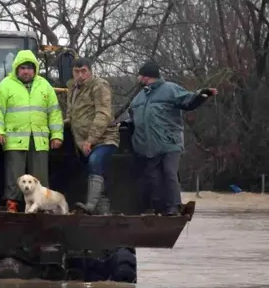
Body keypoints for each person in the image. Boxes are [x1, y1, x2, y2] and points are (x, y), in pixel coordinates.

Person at [128, 60, 218, 215]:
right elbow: (132, 117)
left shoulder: (170, 89)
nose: (138, 78)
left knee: (169, 172)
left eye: (139, 75)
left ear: (146, 76)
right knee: (153, 177)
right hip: (148, 146)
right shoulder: (139, 97)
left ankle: (174, 206)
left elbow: (189, 101)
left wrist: (203, 95)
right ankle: (158, 208)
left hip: (169, 143)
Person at [0, 49, 64, 213]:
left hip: (39, 139)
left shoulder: (44, 85)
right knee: (14, 175)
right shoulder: (5, 85)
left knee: (39, 177)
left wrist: (57, 135)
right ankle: (12, 205)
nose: (26, 71)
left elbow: (54, 112)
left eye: (30, 68)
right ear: (17, 68)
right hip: (14, 139)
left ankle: (43, 207)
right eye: (22, 68)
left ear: (35, 69)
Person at [65, 58, 120, 215]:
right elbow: (73, 115)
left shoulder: (99, 85)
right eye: (77, 71)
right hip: (82, 141)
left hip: (104, 138)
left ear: (90, 71)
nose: (80, 75)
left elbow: (103, 113)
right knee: (93, 171)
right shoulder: (73, 89)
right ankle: (103, 211)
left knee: (95, 162)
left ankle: (90, 205)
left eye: (84, 71)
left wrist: (91, 139)